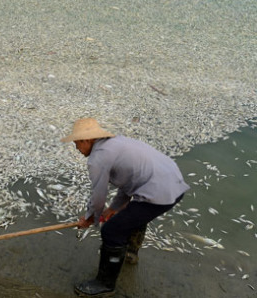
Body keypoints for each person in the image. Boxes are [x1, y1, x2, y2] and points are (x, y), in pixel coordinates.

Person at [61, 118, 190, 297]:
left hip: (158, 192)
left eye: (76, 144)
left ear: (86, 140)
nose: (76, 148)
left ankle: (105, 284)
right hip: (174, 185)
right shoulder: (118, 143)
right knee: (132, 216)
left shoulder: (98, 158)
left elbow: (98, 196)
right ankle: (129, 253)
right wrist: (113, 208)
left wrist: (91, 218)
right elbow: (129, 183)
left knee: (111, 231)